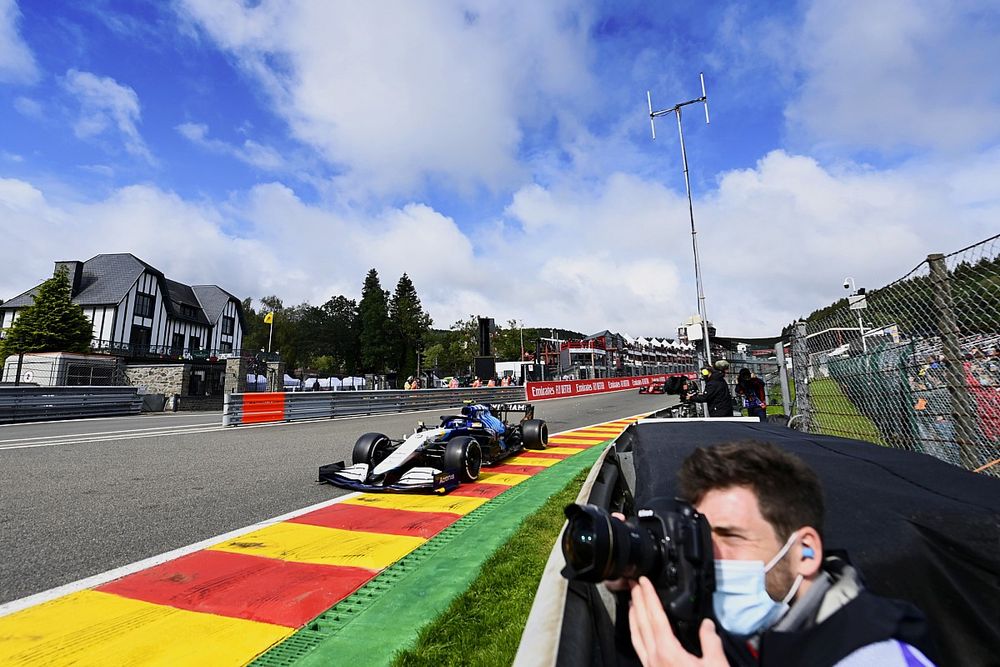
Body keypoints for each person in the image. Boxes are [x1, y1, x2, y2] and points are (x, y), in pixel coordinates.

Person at [623, 441, 935, 666]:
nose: (709, 554)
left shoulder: (876, 655)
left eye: (731, 537)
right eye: (700, 537)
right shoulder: (754, 622)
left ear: (806, 553)